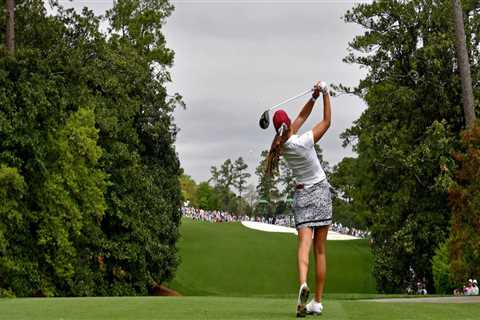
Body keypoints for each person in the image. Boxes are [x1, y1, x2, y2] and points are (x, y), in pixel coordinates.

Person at [265, 81, 331, 317]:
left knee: (304, 245)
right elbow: (326, 122)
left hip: (302, 194)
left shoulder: (280, 145)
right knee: (320, 250)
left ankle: (303, 283)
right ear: (288, 125)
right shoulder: (303, 141)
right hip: (321, 191)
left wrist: (312, 98)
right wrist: (326, 94)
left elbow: (301, 116)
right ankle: (318, 302)